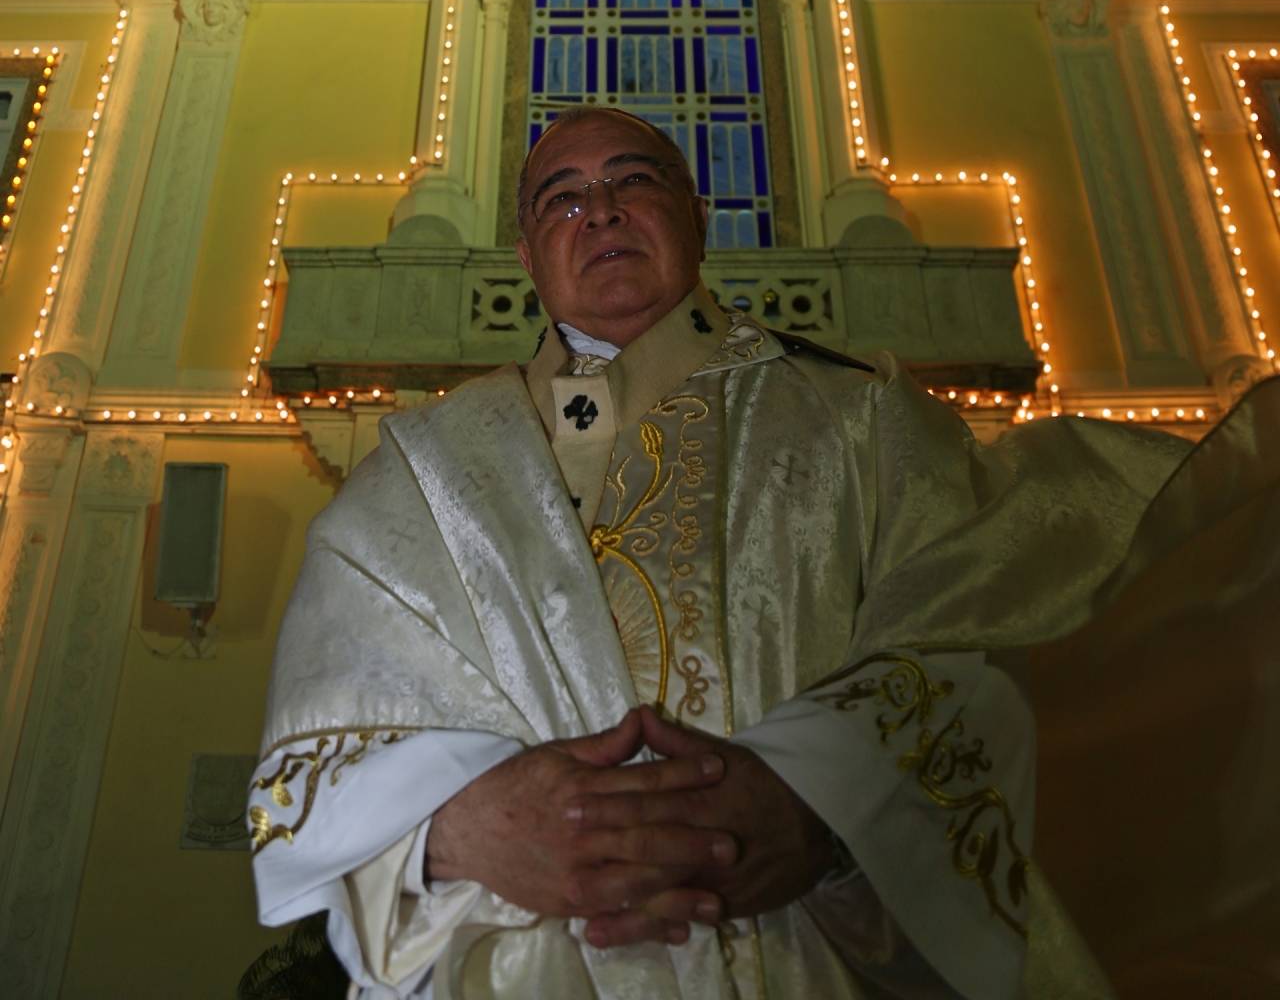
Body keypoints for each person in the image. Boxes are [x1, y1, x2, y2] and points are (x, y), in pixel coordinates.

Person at [249, 105, 1279, 999]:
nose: (597, 211)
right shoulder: (420, 471)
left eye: (632, 181)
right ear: (526, 257)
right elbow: (323, 740)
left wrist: (822, 802)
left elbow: (991, 635)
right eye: (559, 199)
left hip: (808, 950)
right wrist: (457, 828)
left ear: (698, 218)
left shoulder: (861, 420)